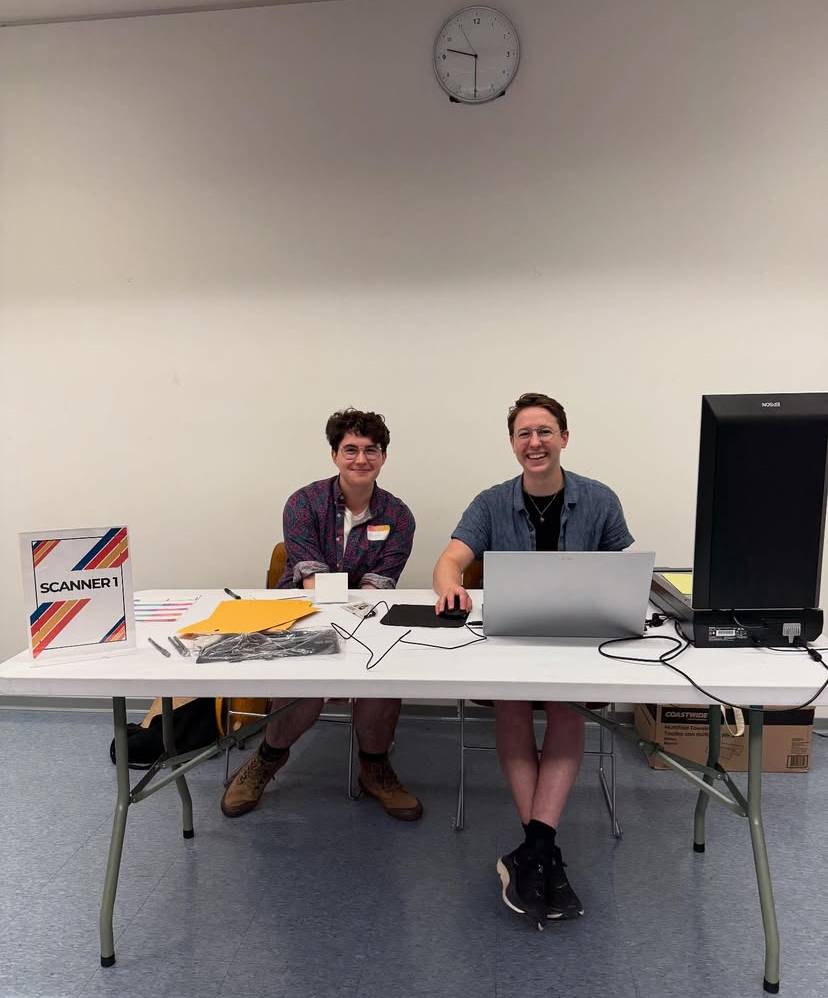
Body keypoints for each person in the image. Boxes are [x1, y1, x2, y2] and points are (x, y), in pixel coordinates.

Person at [432, 393, 633, 923]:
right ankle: (542, 852)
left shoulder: (599, 499)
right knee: (513, 705)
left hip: (577, 640)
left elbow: (623, 570)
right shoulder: (492, 501)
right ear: (513, 444)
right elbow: (450, 559)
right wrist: (450, 587)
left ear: (564, 438)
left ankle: (535, 850)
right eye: (524, 434)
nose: (535, 442)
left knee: (568, 708)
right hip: (512, 638)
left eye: (545, 431)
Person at [221, 408, 422, 821]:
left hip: (367, 616)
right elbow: (310, 578)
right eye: (350, 449)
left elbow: (379, 583)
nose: (361, 459)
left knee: (382, 677)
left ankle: (375, 767)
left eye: (371, 450)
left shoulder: (399, 516)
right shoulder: (303, 503)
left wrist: (354, 623)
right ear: (334, 455)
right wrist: (340, 618)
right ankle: (268, 758)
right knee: (304, 686)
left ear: (384, 456)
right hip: (303, 613)